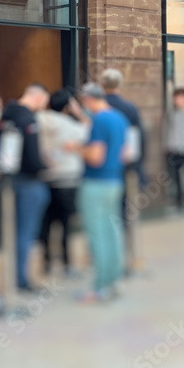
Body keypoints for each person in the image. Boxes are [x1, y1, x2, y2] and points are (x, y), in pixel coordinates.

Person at [72, 83, 130, 303]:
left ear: (88, 99)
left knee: (97, 235)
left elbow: (96, 156)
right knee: (112, 232)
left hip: (96, 183)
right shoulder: (119, 119)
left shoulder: (98, 121)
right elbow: (125, 154)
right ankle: (113, 282)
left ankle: (99, 287)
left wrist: (77, 148)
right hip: (115, 181)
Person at [2, 84, 50, 290]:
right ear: (38, 97)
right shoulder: (28, 120)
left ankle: (16, 275)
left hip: (10, 179)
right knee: (26, 232)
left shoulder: (5, 115)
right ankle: (21, 278)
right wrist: (44, 165)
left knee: (15, 231)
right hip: (29, 181)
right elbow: (31, 158)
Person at [36, 90, 89, 278]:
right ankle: (67, 263)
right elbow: (90, 130)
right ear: (68, 107)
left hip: (45, 177)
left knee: (47, 223)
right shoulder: (70, 126)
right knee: (66, 224)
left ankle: (46, 261)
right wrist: (79, 112)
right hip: (67, 179)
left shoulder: (40, 119)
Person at [101, 68, 145, 271]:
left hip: (102, 169)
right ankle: (127, 252)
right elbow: (137, 138)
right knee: (124, 210)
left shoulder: (100, 108)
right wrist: (135, 166)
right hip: (125, 168)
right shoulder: (130, 108)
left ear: (103, 85)